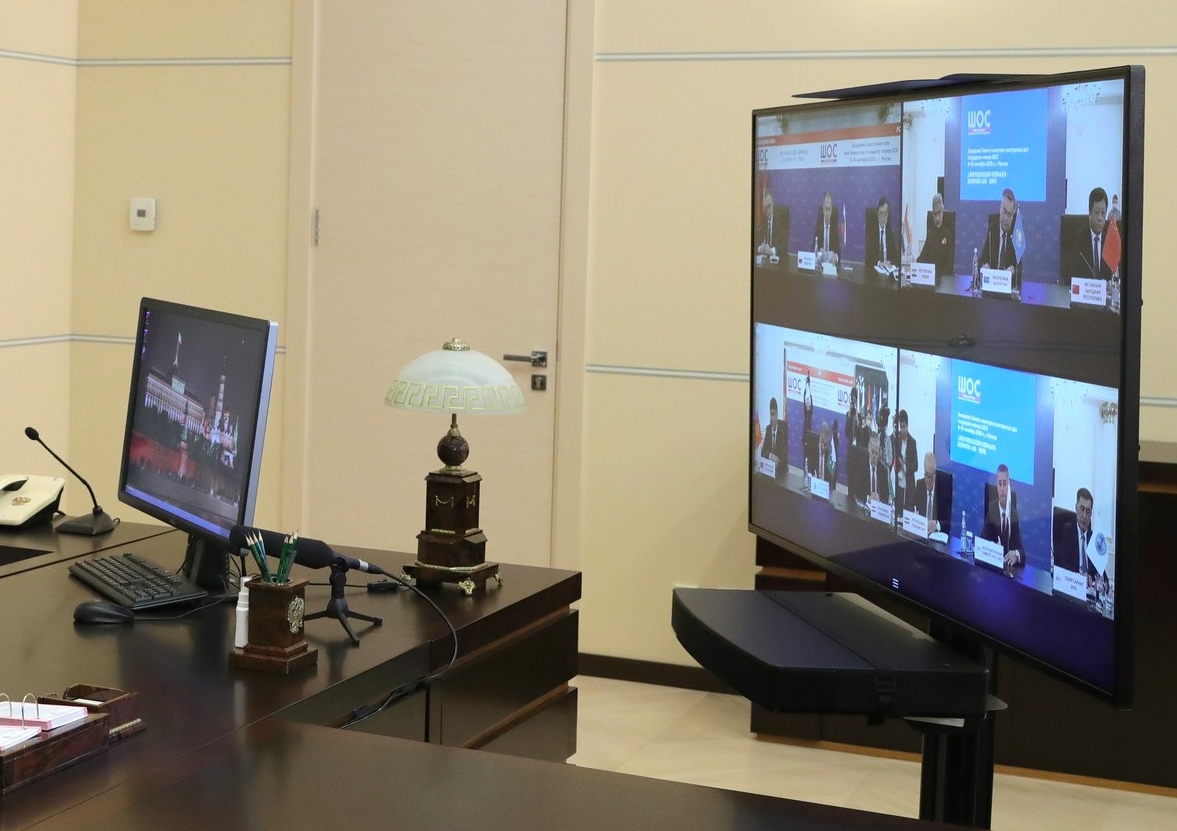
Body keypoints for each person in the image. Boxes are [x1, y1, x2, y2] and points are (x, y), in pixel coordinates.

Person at [981, 463, 1025, 568]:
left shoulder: (1013, 514)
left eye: (1004, 484)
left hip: (1008, 568)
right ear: (996, 486)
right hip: (993, 566)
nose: (1002, 489)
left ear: (1009, 485)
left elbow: (1022, 552)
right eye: (999, 484)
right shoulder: (992, 509)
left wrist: (1016, 554)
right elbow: (982, 540)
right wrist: (992, 547)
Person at [978, 187, 1023, 288]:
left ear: (1013, 216)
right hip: (992, 286)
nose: (1006, 218)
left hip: (1007, 288)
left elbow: (1019, 269)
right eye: (1004, 212)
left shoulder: (1016, 234)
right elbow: (981, 260)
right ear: (1000, 208)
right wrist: (984, 266)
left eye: (1009, 215)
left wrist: (1012, 271)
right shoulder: (992, 230)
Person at [1067, 186, 1114, 281]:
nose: (1100, 218)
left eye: (1103, 213)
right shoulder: (1078, 239)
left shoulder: (1110, 240)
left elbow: (1113, 274)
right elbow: (1072, 274)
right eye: (1096, 212)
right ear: (1089, 213)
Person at [1055, 487, 1101, 581]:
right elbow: (1061, 564)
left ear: (1091, 514)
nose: (1084, 516)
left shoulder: (1094, 540)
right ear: (1076, 508)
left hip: (1088, 588)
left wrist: (1101, 583)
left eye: (1087, 511)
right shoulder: (1066, 532)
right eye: (1082, 509)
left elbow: (1103, 576)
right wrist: (1080, 578)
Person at [912, 452, 952, 535]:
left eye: (930, 476)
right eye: (926, 475)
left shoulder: (943, 490)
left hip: (936, 536)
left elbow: (950, 523)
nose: (928, 480)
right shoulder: (919, 485)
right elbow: (911, 508)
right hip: (921, 534)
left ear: (935, 475)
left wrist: (936, 525)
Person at [916, 192, 955, 277]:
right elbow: (922, 258)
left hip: (943, 279)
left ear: (943, 211)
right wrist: (916, 266)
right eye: (934, 214)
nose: (937, 218)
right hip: (930, 278)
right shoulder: (930, 234)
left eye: (939, 213)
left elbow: (950, 265)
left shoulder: (948, 235)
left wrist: (936, 273)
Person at [864, 196, 900, 276]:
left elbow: (896, 258)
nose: (883, 217)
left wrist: (891, 263)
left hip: (888, 272)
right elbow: (868, 257)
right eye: (880, 213)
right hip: (875, 273)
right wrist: (879, 263)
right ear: (877, 214)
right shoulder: (872, 231)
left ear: (888, 214)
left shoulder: (891, 233)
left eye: (885, 213)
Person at [892, 409, 917, 513]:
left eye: (903, 427)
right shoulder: (895, 440)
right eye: (900, 427)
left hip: (908, 485)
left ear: (907, 426)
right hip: (898, 483)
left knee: (908, 511)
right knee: (897, 511)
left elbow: (915, 466)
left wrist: (904, 466)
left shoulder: (912, 442)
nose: (902, 430)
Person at [760, 396, 787, 481]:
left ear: (777, 414)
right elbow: (763, 452)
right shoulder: (768, 429)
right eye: (770, 414)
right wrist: (771, 456)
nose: (772, 418)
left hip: (781, 470)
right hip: (770, 469)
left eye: (774, 414)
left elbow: (784, 455)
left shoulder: (782, 431)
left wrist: (777, 462)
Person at [812, 191, 842, 267]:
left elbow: (839, 252)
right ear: (823, 210)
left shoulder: (834, 227)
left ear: (832, 210)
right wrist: (818, 252)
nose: (827, 213)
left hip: (831, 265)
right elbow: (813, 248)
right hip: (820, 264)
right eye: (826, 209)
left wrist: (835, 258)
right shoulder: (819, 225)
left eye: (829, 209)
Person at [866, 434, 890, 503]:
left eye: (876, 453)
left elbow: (886, 496)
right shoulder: (861, 465)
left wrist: (879, 499)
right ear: (868, 449)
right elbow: (856, 489)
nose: (874, 456)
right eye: (872, 452)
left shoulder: (883, 470)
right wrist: (868, 498)